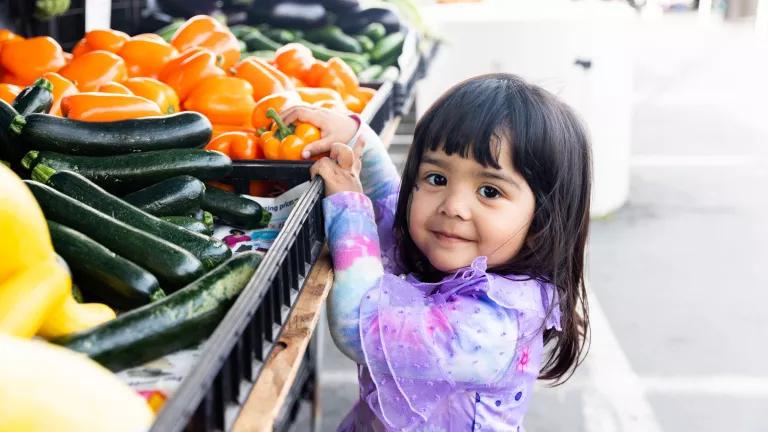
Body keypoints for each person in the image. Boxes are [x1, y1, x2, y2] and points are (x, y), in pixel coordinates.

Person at [281, 73, 592, 431]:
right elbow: (391, 202)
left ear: (541, 224)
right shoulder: (467, 258)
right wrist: (356, 137)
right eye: (437, 179)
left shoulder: (486, 328)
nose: (453, 206)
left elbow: (360, 326)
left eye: (489, 191)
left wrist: (348, 210)